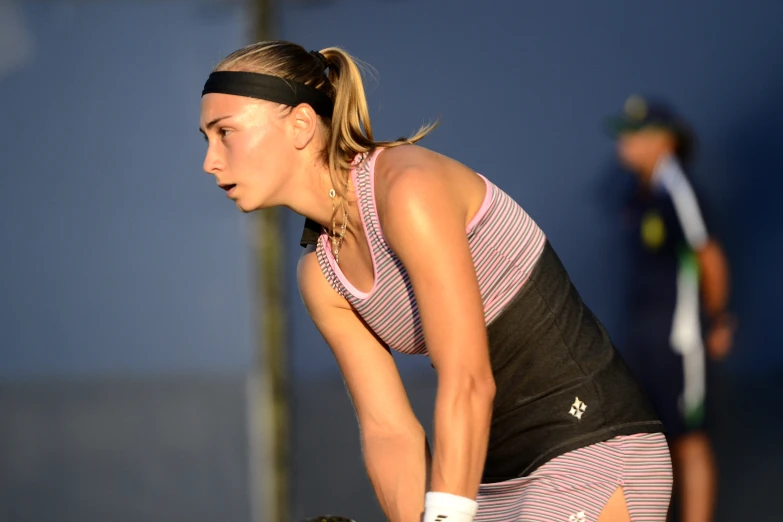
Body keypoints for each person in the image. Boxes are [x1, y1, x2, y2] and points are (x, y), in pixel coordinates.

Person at [199, 40, 672, 522]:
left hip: (593, 450)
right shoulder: (322, 277)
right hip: (489, 484)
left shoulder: (407, 189)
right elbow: (390, 432)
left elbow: (469, 380)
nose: (210, 161)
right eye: (206, 139)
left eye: (225, 132)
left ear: (300, 124)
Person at [607, 96, 735, 522]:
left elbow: (709, 258)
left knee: (690, 438)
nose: (623, 143)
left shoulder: (680, 189)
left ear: (664, 139)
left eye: (635, 134)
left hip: (681, 338)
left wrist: (716, 321)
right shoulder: (640, 191)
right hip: (646, 338)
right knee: (649, 438)